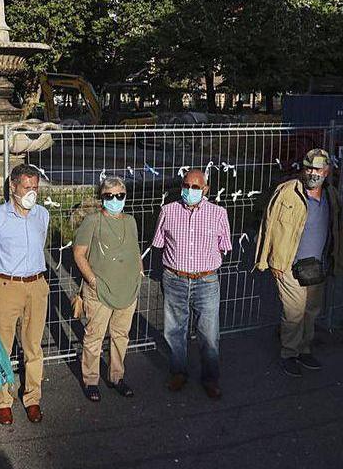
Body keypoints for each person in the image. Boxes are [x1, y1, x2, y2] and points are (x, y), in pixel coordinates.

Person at [254, 149, 343, 378]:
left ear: (327, 171)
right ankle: (289, 354)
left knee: (312, 311)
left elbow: (337, 229)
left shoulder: (331, 195)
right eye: (308, 168)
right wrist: (271, 260)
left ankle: (304, 349)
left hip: (317, 265)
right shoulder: (287, 192)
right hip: (288, 264)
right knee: (294, 312)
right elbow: (270, 225)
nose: (312, 173)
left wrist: (337, 258)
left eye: (317, 169)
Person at [151, 169, 232, 398]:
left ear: (205, 189)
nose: (190, 191)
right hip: (175, 278)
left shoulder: (218, 214)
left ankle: (210, 378)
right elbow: (159, 243)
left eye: (196, 187)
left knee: (208, 333)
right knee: (174, 331)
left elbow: (224, 246)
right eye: (186, 186)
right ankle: (178, 373)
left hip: (206, 280)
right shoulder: (168, 211)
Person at [0, 164, 50, 425]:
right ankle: (2, 400)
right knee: (2, 347)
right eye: (26, 187)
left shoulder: (42, 215)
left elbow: (40, 245)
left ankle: (32, 398)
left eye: (35, 188)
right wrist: (5, 278)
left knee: (33, 345)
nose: (32, 193)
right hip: (6, 286)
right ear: (13, 187)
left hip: (36, 285)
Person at [72, 176, 142, 399]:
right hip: (99, 290)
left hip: (128, 289)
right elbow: (79, 254)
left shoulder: (130, 221)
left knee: (121, 335)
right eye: (109, 196)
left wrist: (139, 271)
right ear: (102, 198)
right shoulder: (92, 221)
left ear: (125, 196)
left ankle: (116, 376)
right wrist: (92, 280)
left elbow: (135, 248)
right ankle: (91, 380)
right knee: (94, 336)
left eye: (119, 195)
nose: (115, 200)